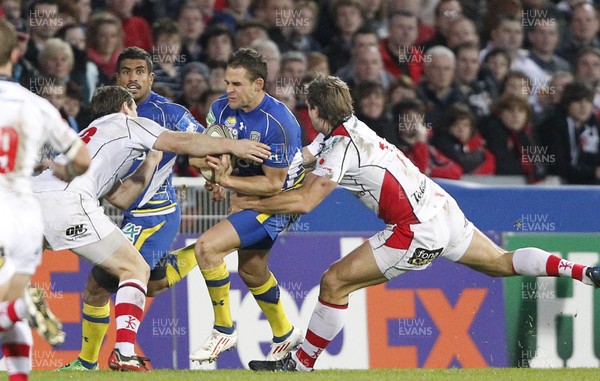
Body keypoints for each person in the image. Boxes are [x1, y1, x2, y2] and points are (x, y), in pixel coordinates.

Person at [220, 75, 600, 372]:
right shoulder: (346, 129)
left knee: (334, 282)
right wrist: (247, 166)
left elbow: (304, 202)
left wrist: (250, 199)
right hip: (441, 208)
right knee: (501, 263)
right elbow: (298, 164)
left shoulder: (340, 147)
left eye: (308, 109)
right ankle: (582, 272)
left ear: (317, 110)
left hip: (415, 228)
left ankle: (300, 365)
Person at [34, 85, 270, 372]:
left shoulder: (90, 136)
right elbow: (181, 142)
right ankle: (123, 351)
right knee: (135, 270)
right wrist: (233, 146)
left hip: (30, 201)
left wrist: (151, 161)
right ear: (125, 107)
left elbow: (121, 199)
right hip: (68, 204)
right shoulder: (130, 122)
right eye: (133, 106)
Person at [57, 46, 207, 371]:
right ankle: (203, 253)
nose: (133, 77)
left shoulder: (170, 113)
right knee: (145, 282)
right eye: (126, 71)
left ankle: (93, 362)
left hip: (155, 214)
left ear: (152, 77)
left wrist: (215, 173)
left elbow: (202, 145)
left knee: (100, 285)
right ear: (117, 77)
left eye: (140, 72)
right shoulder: (111, 114)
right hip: (129, 213)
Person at [185, 47, 305, 364]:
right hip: (248, 194)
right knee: (252, 271)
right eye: (227, 82)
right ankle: (284, 332)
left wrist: (225, 181)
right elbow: (198, 152)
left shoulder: (279, 123)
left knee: (207, 248)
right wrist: (211, 171)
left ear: (258, 84)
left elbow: (272, 183)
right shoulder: (220, 109)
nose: (229, 90)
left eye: (237, 84)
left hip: (280, 201)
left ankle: (223, 330)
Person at [0, 18, 91, 381]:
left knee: (8, 307)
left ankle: (21, 308)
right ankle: (19, 310)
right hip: (23, 212)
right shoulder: (35, 104)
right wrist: (65, 172)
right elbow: (81, 158)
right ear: (18, 52)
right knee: (6, 301)